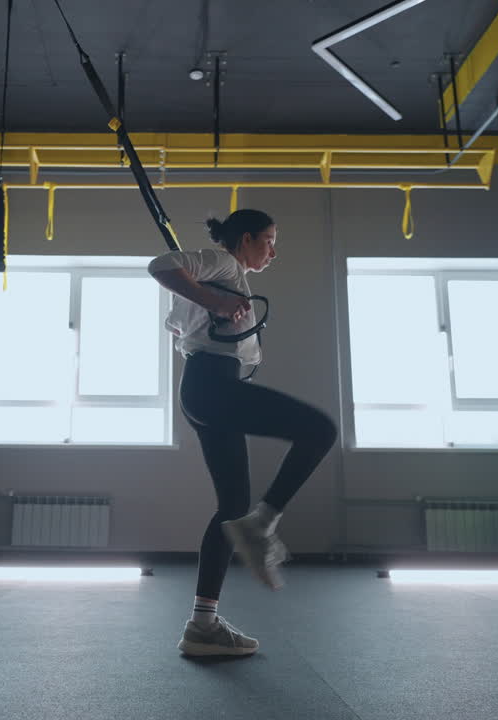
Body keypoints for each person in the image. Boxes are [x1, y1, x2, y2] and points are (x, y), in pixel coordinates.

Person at [147, 209, 338, 657]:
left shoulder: (225, 278)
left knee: (231, 507)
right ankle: (263, 524)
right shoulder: (224, 264)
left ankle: (202, 626)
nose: (273, 251)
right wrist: (212, 302)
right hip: (214, 386)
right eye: (269, 241)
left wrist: (206, 303)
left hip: (205, 390)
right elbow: (160, 265)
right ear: (246, 238)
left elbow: (179, 323)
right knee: (320, 429)